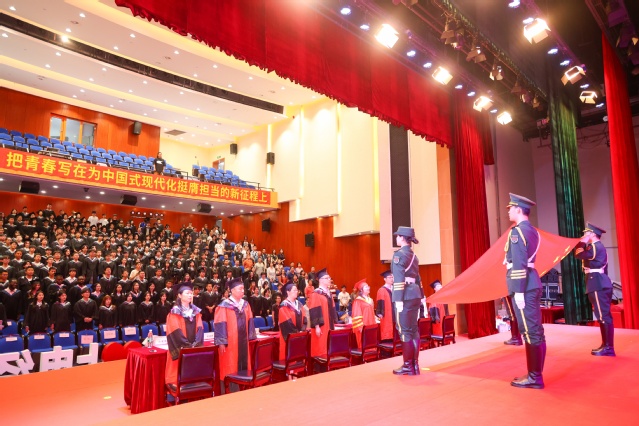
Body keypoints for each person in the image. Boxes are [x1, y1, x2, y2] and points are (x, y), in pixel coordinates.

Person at [505, 193, 546, 389]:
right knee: (536, 331)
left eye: (511, 208)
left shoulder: (517, 232)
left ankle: (534, 377)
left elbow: (520, 263)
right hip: (532, 281)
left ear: (519, 210)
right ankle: (535, 374)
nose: (508, 211)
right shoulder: (532, 230)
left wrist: (519, 291)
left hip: (524, 285)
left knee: (529, 332)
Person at [574, 222, 615, 357]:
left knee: (603, 316)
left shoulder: (596, 246)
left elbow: (578, 253)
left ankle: (608, 347)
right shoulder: (595, 247)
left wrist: (582, 242)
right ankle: (606, 345)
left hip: (598, 283)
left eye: (586, 233)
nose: (584, 235)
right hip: (598, 282)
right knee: (602, 315)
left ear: (592, 234)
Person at [214, 277, 257, 393]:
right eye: (240, 289)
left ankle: (244, 391)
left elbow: (250, 321)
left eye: (243, 289)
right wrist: (221, 342)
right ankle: (230, 392)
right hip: (230, 344)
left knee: (243, 365)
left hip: (243, 343)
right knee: (230, 366)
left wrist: (251, 337)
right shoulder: (224, 306)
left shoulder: (245, 305)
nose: (243, 291)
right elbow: (220, 324)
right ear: (232, 290)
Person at [391, 226, 424, 376]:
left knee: (404, 331)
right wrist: (422, 296)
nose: (396, 238)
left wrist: (398, 300)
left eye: (398, 236)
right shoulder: (414, 255)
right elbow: (418, 278)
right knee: (413, 330)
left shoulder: (399, 255)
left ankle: (407, 366)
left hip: (404, 296)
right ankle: (414, 365)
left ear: (402, 238)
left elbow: (398, 278)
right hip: (415, 294)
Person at [165, 281, 204, 386]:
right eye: (187, 293)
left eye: (191, 293)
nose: (190, 295)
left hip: (194, 348)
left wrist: (196, 344)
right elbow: (175, 332)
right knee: (178, 374)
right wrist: (187, 346)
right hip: (181, 349)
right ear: (179, 295)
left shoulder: (196, 312)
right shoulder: (174, 312)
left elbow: (200, 328)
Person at [307, 268, 338, 358]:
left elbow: (333, 308)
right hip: (322, 325)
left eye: (329, 278)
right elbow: (314, 310)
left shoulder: (329, 293)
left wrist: (334, 322)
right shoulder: (316, 293)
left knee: (329, 345)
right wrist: (317, 326)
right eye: (327, 278)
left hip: (329, 324)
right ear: (321, 280)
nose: (329, 280)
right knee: (321, 346)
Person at [278, 282, 306, 359]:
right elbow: (287, 324)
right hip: (290, 338)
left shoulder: (299, 304)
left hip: (300, 336)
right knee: (290, 358)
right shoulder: (284, 306)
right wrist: (297, 333)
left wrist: (302, 330)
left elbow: (305, 318)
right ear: (288, 292)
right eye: (294, 290)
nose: (296, 292)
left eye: (297, 290)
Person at [351, 279, 376, 349]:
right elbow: (356, 315)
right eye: (366, 287)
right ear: (361, 290)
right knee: (365, 346)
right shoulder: (357, 301)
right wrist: (360, 327)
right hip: (363, 327)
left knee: (372, 344)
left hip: (372, 325)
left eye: (368, 286)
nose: (368, 288)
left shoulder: (370, 300)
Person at [376, 270, 394, 342]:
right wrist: (380, 313)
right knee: (387, 331)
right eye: (389, 277)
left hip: (395, 313)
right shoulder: (382, 290)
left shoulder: (394, 289)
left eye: (392, 277)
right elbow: (380, 302)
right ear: (385, 279)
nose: (391, 279)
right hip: (387, 314)